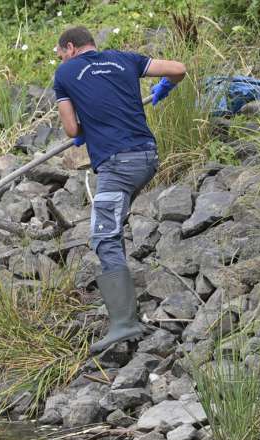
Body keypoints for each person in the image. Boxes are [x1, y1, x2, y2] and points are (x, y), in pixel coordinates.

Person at [53, 26, 186, 354]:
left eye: (60, 53)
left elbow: (71, 128)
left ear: (70, 48)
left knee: (103, 236)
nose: (60, 58)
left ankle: (125, 324)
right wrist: (165, 85)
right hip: (147, 158)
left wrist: (86, 129)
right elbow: (178, 69)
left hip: (116, 166)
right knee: (113, 223)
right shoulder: (123, 59)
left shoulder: (65, 72)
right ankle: (128, 312)